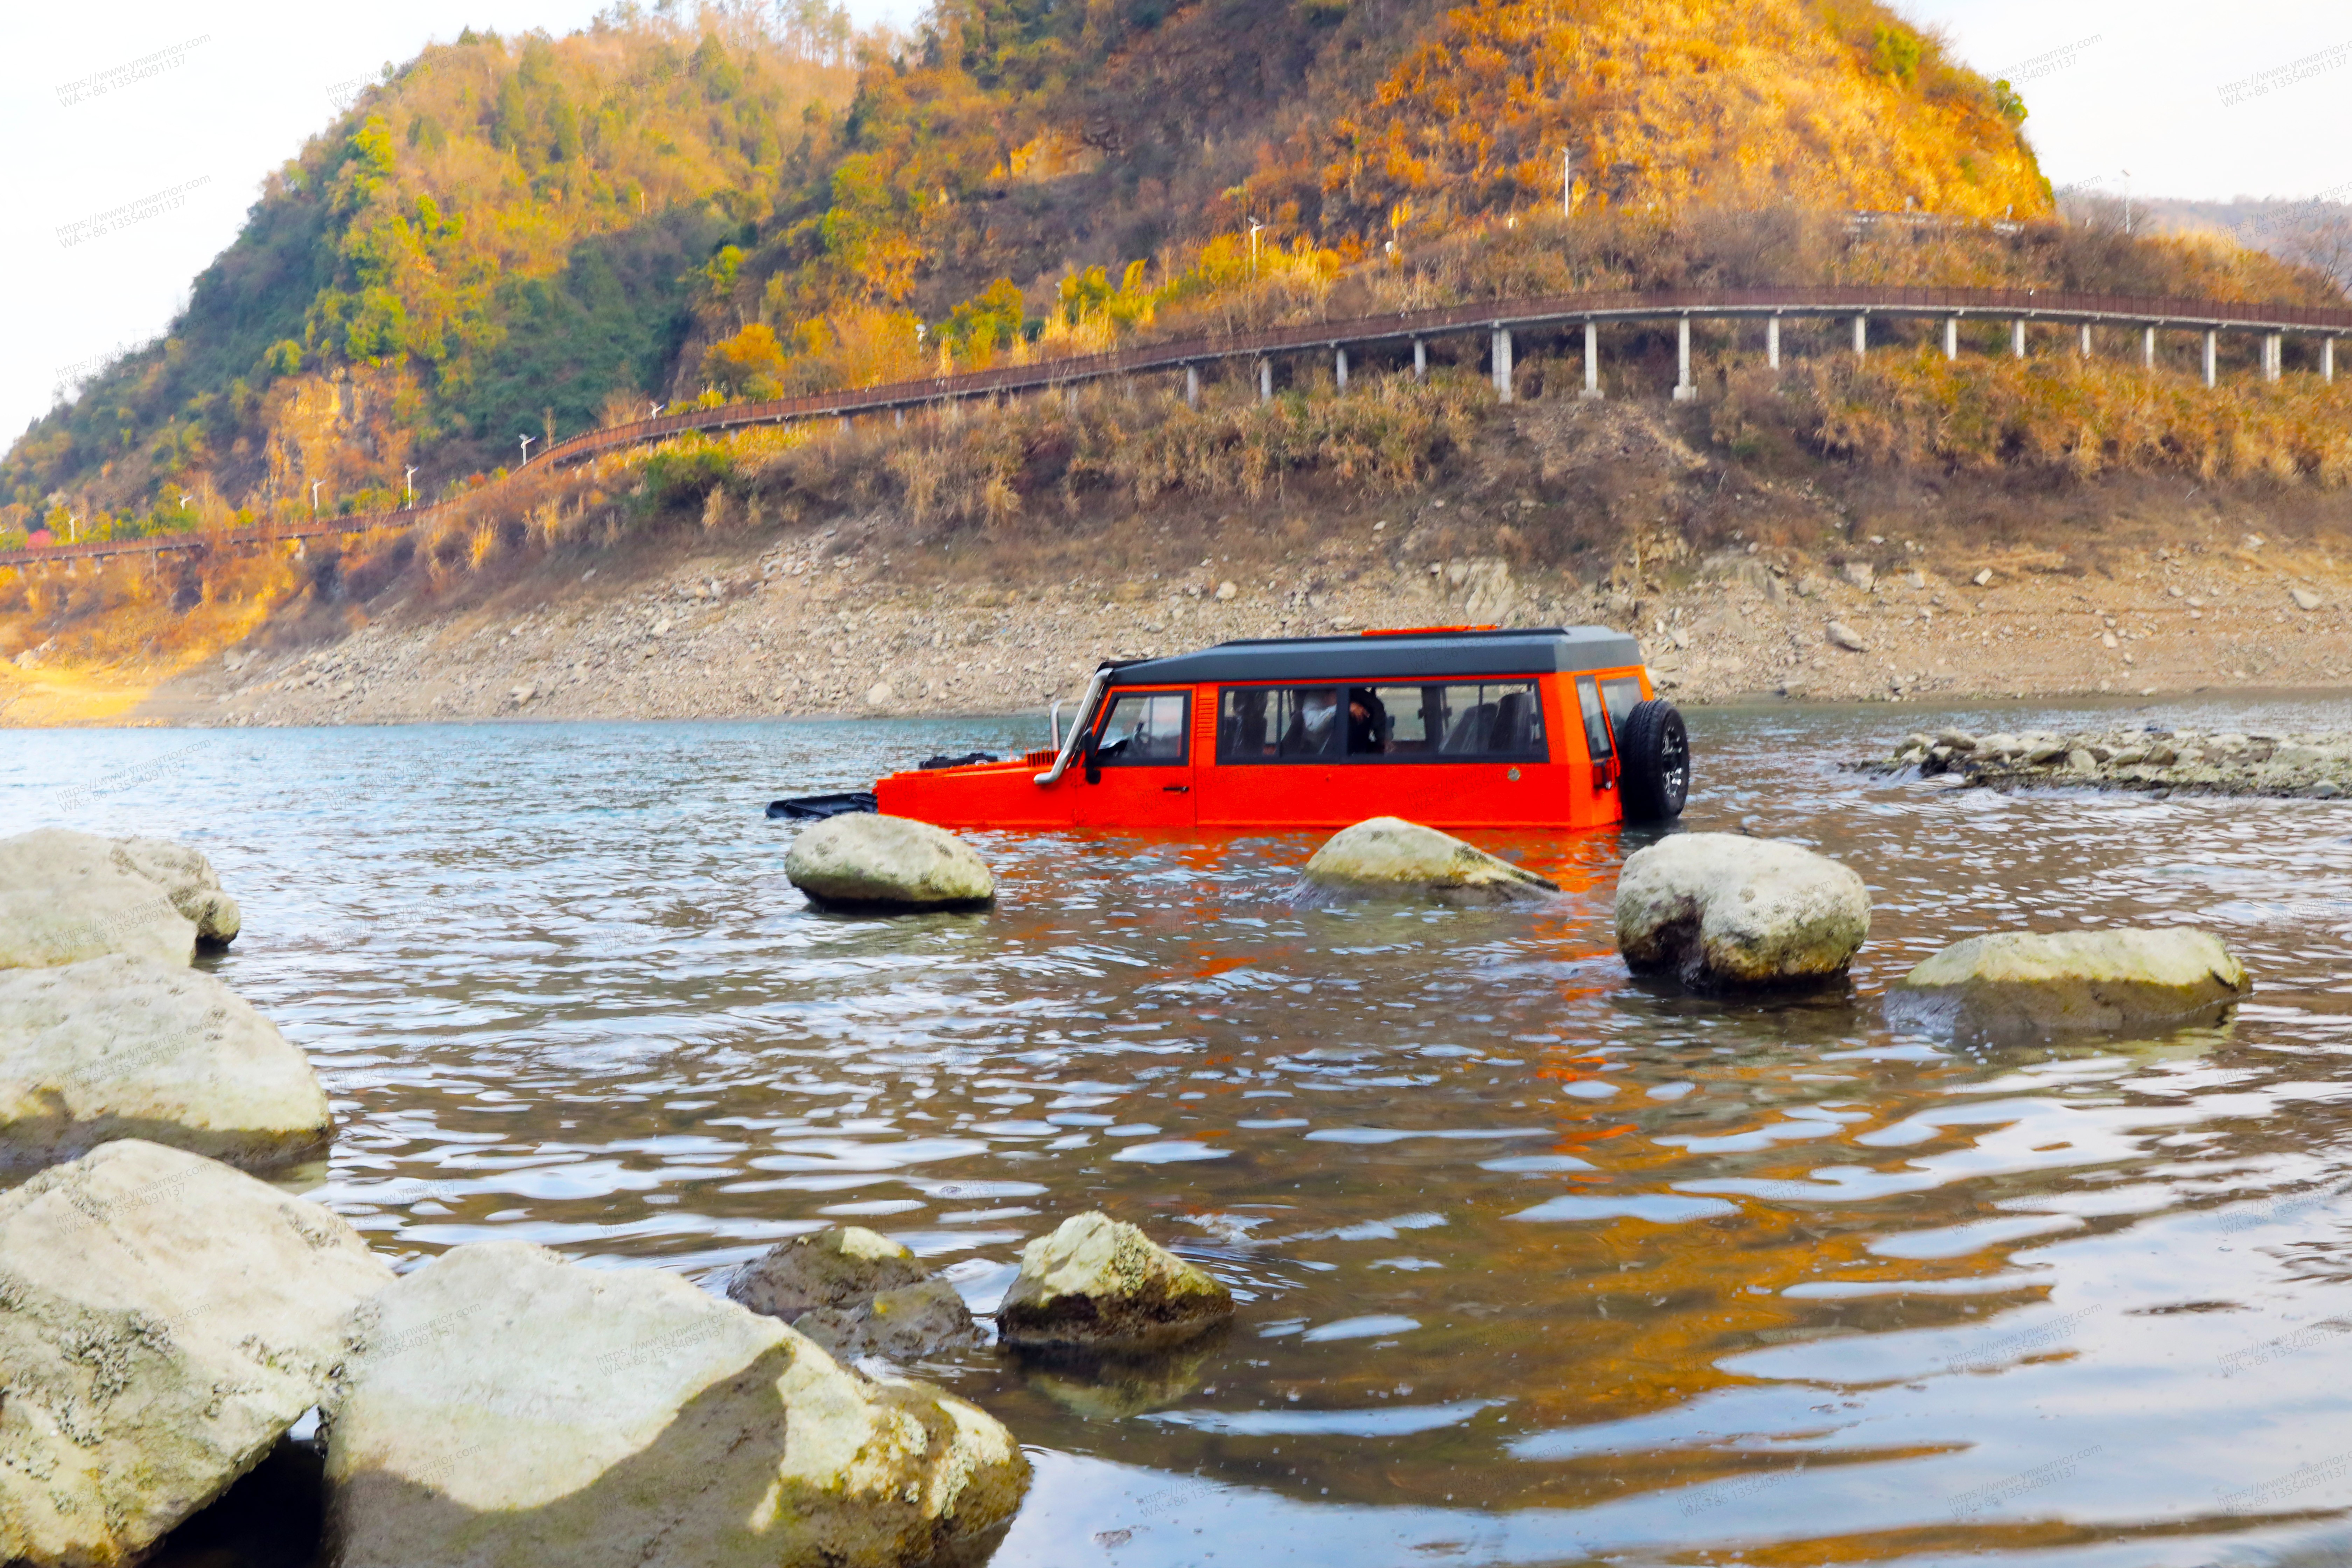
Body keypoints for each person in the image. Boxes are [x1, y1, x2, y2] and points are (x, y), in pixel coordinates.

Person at [1346, 687, 1390, 753]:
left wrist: (1386, 741)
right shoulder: (1328, 696)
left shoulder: (1372, 703)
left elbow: (1384, 736)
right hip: (1329, 753)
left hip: (1357, 754)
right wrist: (1346, 706)